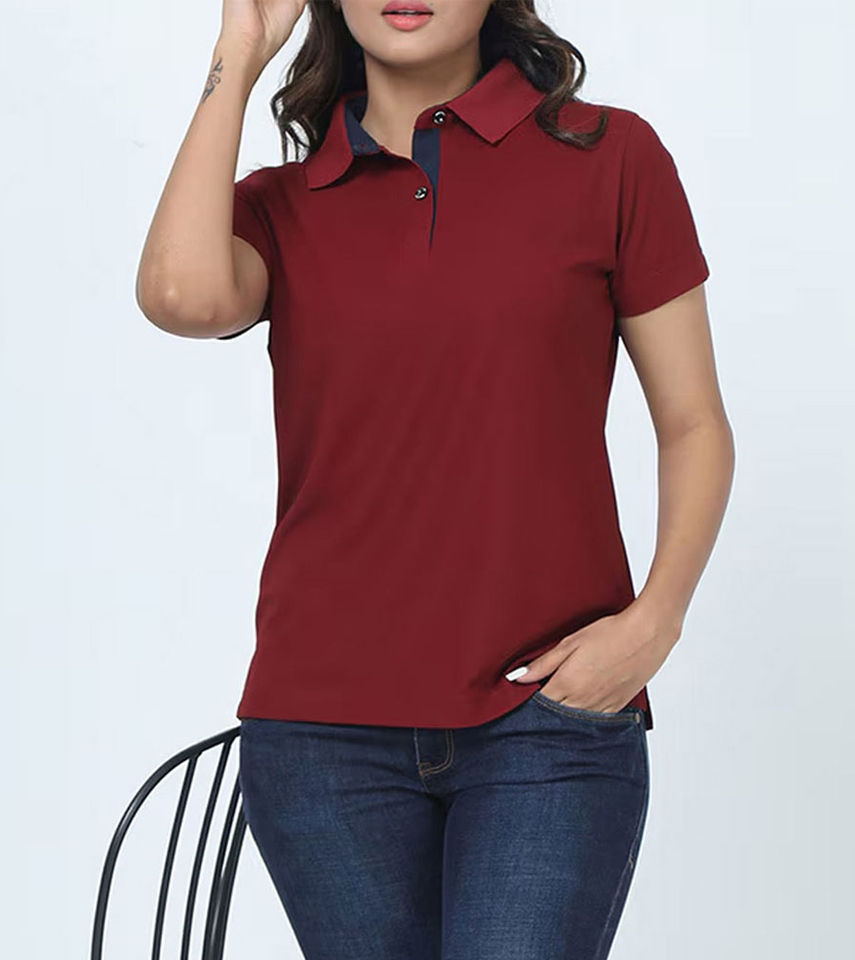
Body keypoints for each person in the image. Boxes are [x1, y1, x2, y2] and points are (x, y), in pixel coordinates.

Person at [136, 1, 735, 957]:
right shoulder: (283, 203)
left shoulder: (609, 156)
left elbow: (694, 424)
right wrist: (238, 51)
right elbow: (180, 296)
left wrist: (654, 622)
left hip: (546, 719)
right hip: (322, 736)